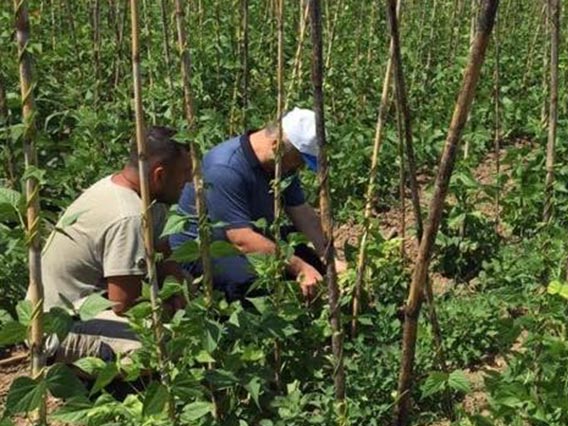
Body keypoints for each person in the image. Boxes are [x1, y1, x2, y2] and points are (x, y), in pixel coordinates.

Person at [41, 127, 193, 363]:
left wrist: (177, 291)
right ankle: (113, 387)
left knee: (189, 286)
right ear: (159, 175)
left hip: (96, 305)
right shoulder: (128, 216)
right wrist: (170, 309)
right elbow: (123, 303)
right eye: (184, 173)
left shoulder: (148, 198)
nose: (190, 180)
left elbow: (165, 256)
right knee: (157, 345)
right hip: (64, 324)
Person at [170, 107, 342, 303]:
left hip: (247, 239)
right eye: (301, 160)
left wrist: (331, 260)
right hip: (206, 251)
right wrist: (299, 268)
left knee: (313, 264)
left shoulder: (282, 167)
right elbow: (241, 239)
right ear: (276, 146)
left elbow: (303, 214)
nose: (301, 168)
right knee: (256, 286)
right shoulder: (225, 168)